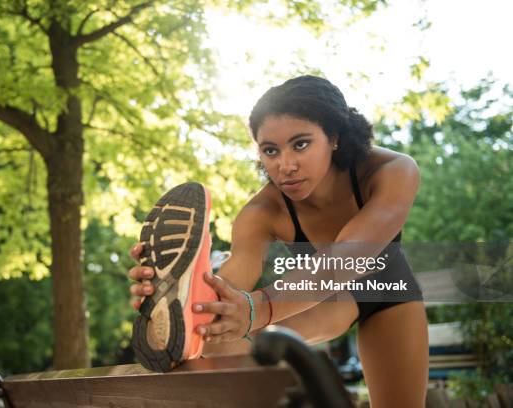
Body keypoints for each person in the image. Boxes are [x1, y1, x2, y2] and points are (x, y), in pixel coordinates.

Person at [128, 75, 428, 407]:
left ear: (335, 137)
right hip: (322, 299)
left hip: (388, 290)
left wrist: (258, 308)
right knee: (222, 329)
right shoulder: (262, 211)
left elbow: (344, 261)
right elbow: (231, 284)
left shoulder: (393, 170)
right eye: (270, 150)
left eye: (300, 144)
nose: (285, 166)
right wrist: (179, 295)